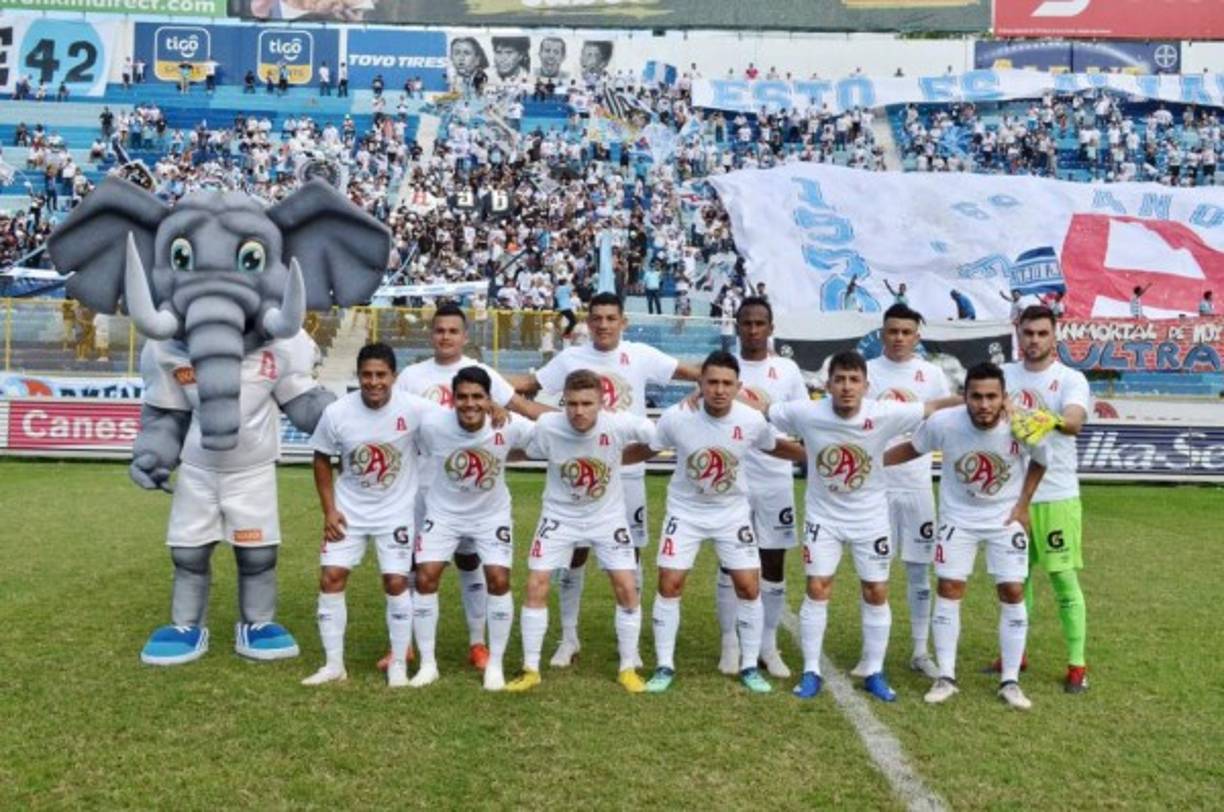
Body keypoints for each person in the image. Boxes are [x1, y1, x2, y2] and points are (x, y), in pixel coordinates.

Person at [512, 292, 700, 667]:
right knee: (573, 555)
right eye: (596, 318)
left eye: (611, 318)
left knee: (630, 554)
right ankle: (569, 637)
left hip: (627, 471)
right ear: (588, 320)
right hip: (576, 471)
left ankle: (628, 640)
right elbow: (530, 385)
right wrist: (487, 381)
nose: (603, 325)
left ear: (622, 322)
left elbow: (697, 374)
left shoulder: (642, 354)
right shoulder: (571, 358)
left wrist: (696, 396)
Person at [766, 350, 959, 701]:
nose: (846, 387)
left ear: (866, 386)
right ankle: (811, 670)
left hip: (870, 518)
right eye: (839, 379)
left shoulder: (883, 413)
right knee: (818, 587)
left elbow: (932, 407)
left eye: (854, 380)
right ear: (827, 385)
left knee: (876, 590)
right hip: (823, 518)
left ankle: (874, 669)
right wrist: (704, 394)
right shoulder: (806, 412)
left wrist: (985, 399)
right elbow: (761, 410)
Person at [388, 304, 548, 674]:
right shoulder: (412, 377)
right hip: (424, 488)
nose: (445, 336)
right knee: (415, 568)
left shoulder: (484, 376)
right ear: (431, 335)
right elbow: (398, 427)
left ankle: (479, 644)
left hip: (476, 492)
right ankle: (405, 645)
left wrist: (580, 422)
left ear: (464, 336)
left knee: (471, 562)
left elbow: (519, 410)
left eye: (452, 331)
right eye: (439, 330)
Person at [636, 351, 806, 694]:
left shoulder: (753, 420)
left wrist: (814, 454)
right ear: (699, 384)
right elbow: (649, 449)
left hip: (731, 514)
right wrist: (606, 461)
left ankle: (748, 665)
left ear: (738, 386)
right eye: (712, 382)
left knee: (749, 586)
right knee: (670, 583)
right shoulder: (676, 417)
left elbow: (775, 447)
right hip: (685, 512)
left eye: (727, 383)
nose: (719, 389)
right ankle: (665, 665)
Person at [885, 362, 1048, 711]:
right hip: (958, 518)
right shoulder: (944, 422)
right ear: (965, 397)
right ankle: (946, 676)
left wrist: (1023, 506)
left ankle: (1010, 681)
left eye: (992, 397)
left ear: (1004, 397)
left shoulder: (1022, 424)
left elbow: (1041, 460)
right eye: (976, 396)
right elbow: (913, 449)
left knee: (1013, 590)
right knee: (949, 588)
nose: (984, 404)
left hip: (1004, 518)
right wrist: (874, 462)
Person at [505, 370, 657, 694]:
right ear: (563, 404)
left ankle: (627, 668)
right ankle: (530, 668)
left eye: (587, 403)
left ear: (602, 402)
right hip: (559, 515)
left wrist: (623, 457)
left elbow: (655, 436)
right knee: (536, 584)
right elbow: (516, 442)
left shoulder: (618, 424)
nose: (579, 411)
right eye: (572, 404)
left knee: (627, 587)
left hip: (607, 518)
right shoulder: (548, 427)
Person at [302, 344, 426, 688]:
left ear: (394, 377)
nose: (374, 382)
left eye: (381, 375)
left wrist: (493, 406)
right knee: (331, 578)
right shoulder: (337, 412)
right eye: (367, 375)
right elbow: (321, 459)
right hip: (348, 513)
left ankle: (399, 662)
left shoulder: (415, 408)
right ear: (358, 376)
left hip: (395, 514)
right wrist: (329, 510)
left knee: (396, 582)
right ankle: (333, 665)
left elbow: (457, 417)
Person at [412, 367, 533, 691]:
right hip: (443, 512)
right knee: (426, 577)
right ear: (452, 399)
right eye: (462, 397)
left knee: (499, 579)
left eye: (477, 396)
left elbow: (546, 437)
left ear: (489, 399)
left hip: (490, 516)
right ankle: (427, 664)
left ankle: (494, 664)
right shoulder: (433, 423)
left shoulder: (509, 425)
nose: (469, 404)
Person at [715, 297, 808, 678]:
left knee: (773, 561)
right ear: (736, 326)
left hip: (774, 480)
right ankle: (730, 643)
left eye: (759, 324)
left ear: (771, 328)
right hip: (730, 480)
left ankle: (768, 644)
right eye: (746, 323)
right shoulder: (723, 368)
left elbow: (803, 418)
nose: (753, 330)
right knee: (729, 561)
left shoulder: (786, 370)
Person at [1002, 306, 1092, 693]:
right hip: (1009, 496)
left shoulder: (1070, 379)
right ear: (1018, 334)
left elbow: (1073, 422)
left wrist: (1045, 419)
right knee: (1016, 580)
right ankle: (1015, 655)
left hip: (1056, 496)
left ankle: (1077, 665)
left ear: (1055, 335)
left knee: (1062, 579)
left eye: (1042, 333)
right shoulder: (1003, 375)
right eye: (1028, 333)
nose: (1034, 340)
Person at [863, 304, 952, 680]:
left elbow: (946, 418)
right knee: (873, 573)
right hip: (874, 489)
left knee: (918, 571)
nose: (898, 338)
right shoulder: (865, 371)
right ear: (882, 333)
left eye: (906, 332)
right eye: (892, 331)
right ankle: (872, 654)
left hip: (916, 486)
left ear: (917, 335)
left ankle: (919, 650)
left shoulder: (931, 374)